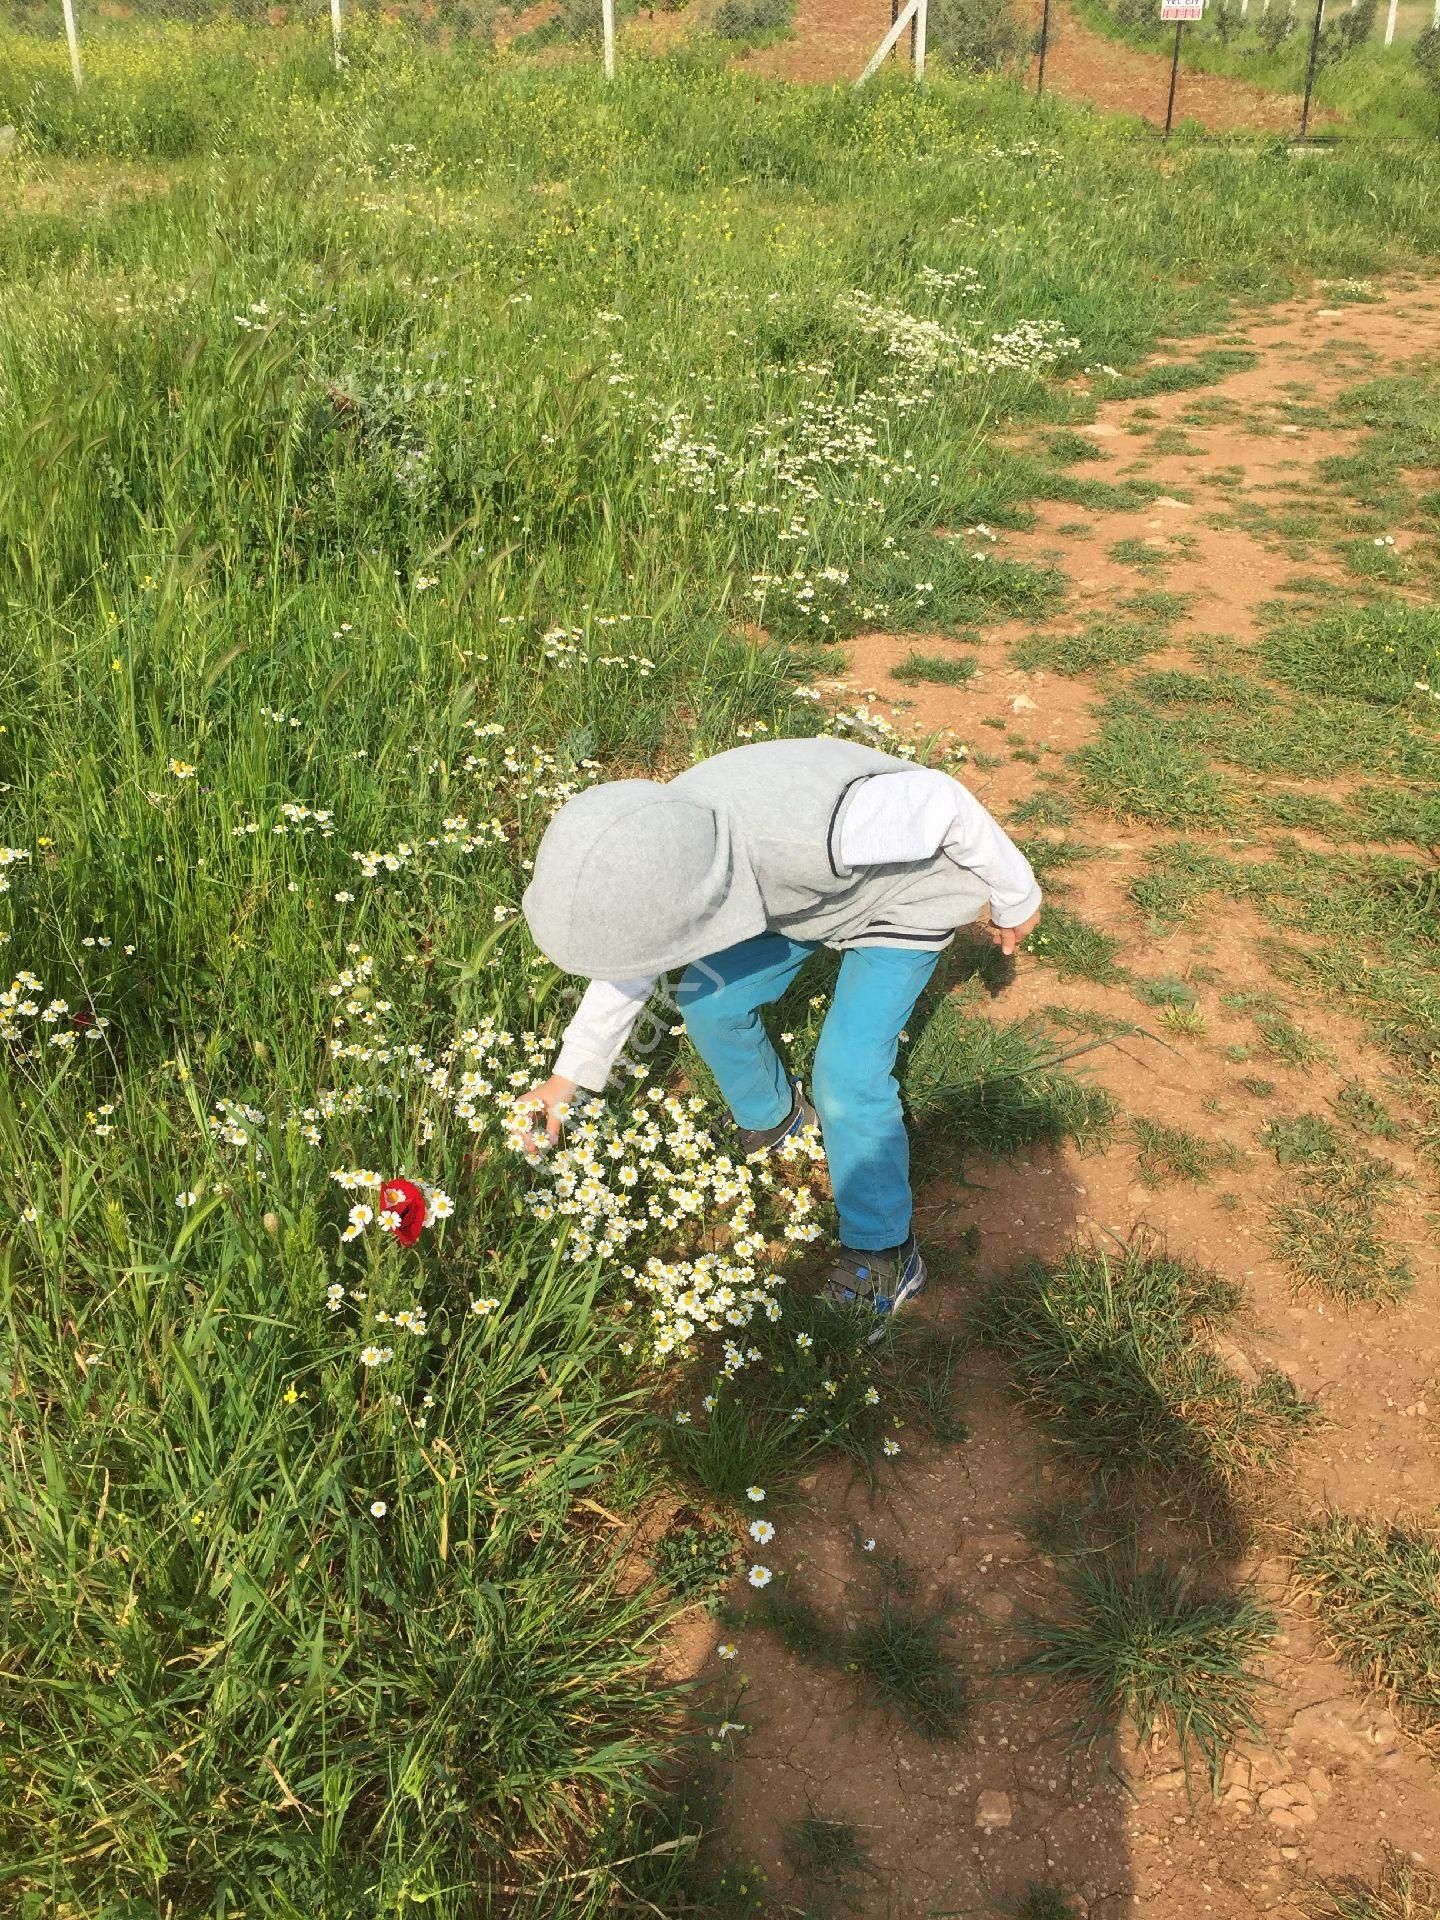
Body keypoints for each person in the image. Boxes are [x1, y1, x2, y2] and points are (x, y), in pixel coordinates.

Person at [520, 734, 1041, 1323]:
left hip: (903, 899)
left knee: (847, 1076)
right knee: (707, 996)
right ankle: (775, 1119)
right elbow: (634, 960)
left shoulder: (820, 830)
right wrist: (565, 1080)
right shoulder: (670, 848)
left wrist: (1015, 895)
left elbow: (941, 802)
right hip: (800, 899)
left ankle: (886, 1252)